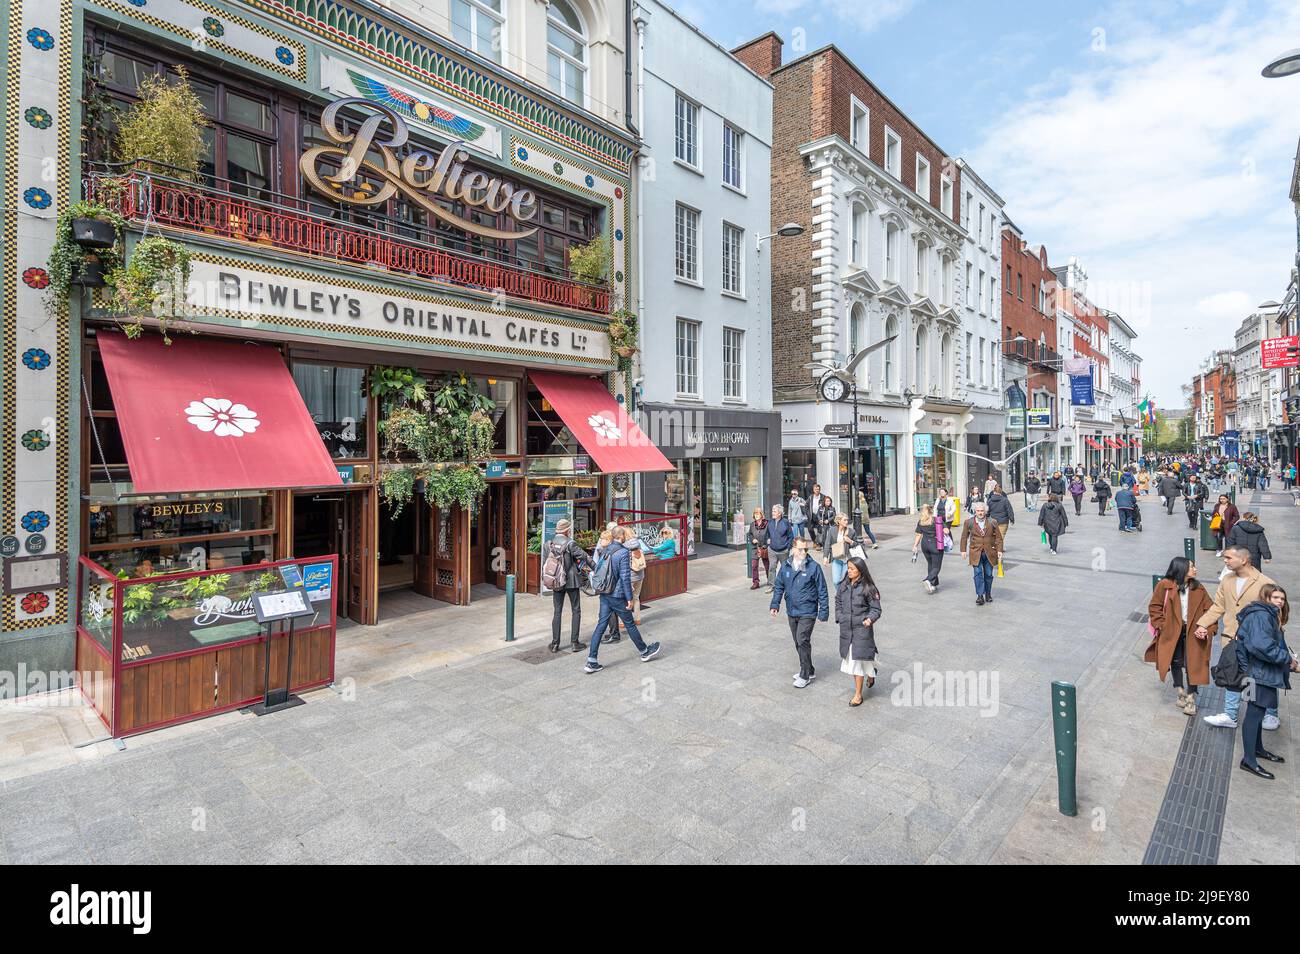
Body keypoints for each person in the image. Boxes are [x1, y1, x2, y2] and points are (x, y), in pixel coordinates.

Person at [1198, 546, 1275, 729]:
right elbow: (1219, 605)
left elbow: (1274, 613)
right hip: (1232, 637)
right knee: (1232, 674)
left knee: (1258, 677)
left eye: (1229, 558)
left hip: (1256, 641)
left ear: (1244, 560)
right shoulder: (1227, 580)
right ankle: (1230, 715)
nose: (1225, 561)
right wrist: (1203, 623)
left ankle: (1268, 713)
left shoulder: (1265, 583)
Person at [1233, 584, 1298, 779]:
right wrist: (1288, 660)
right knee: (1254, 714)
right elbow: (1261, 646)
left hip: (1261, 672)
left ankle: (1258, 750)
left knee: (1259, 712)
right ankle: (1249, 761)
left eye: (1282, 598)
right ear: (1266, 598)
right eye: (1275, 598)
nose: (1280, 601)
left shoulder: (1268, 614)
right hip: (1256, 673)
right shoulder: (1261, 615)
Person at [584, 527, 660, 674]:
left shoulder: (605, 550)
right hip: (617, 595)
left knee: (601, 625)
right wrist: (629, 598)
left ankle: (591, 660)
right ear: (623, 536)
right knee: (630, 624)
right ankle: (644, 651)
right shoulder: (623, 552)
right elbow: (625, 577)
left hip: (605, 593)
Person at [1146, 557, 1214, 716]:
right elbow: (1154, 606)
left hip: (1192, 631)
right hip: (1171, 631)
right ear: (1181, 569)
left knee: (1193, 664)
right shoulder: (1164, 585)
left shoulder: (1198, 587)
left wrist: (1206, 627)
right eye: (1192, 567)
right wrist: (1161, 624)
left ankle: (1191, 697)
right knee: (1175, 661)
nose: (1195, 569)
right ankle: (1180, 691)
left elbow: (1210, 609)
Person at [769, 536, 828, 689]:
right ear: (793, 549)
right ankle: (810, 669)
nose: (803, 552)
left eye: (806, 549)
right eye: (800, 549)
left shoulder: (813, 567)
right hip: (792, 610)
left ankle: (805, 675)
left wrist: (823, 611)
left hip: (808, 610)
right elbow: (779, 586)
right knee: (798, 642)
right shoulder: (786, 566)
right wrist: (775, 604)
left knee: (802, 640)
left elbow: (822, 590)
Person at [836, 557, 881, 707]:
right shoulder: (843, 585)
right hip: (846, 628)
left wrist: (869, 619)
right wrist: (839, 617)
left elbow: (876, 609)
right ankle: (871, 673)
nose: (849, 571)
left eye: (852, 569)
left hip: (862, 629)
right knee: (859, 659)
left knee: (856, 662)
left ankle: (858, 695)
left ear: (860, 571)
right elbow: (838, 601)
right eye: (848, 568)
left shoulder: (869, 588)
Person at [544, 518, 594, 653]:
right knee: (576, 609)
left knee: (557, 611)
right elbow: (585, 557)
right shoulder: (570, 543)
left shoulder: (549, 544)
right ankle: (574, 642)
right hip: (571, 580)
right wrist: (597, 568)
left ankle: (555, 643)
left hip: (557, 580)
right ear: (567, 530)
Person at [960, 501, 1003, 606]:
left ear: (985, 511)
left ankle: (988, 594)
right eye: (978, 511)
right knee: (978, 574)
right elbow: (964, 537)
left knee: (988, 574)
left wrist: (999, 550)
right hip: (975, 552)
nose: (980, 513)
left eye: (982, 511)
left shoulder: (993, 522)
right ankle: (980, 595)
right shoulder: (968, 522)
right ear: (975, 511)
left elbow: (998, 538)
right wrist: (963, 550)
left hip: (989, 552)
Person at [911, 503, 947, 593]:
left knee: (930, 564)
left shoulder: (921, 521)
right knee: (936, 567)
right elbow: (946, 530)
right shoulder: (936, 520)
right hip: (935, 545)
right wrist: (945, 530)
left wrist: (915, 545)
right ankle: (928, 580)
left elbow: (918, 534)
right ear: (932, 511)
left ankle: (934, 584)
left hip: (925, 545)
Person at [824, 513, 862, 587]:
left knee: (846, 582)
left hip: (847, 560)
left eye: (847, 520)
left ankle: (844, 597)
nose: (846, 522)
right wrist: (825, 556)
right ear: (839, 521)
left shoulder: (851, 531)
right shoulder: (832, 530)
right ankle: (840, 595)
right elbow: (827, 544)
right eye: (844, 520)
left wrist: (850, 541)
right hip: (836, 558)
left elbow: (857, 545)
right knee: (836, 581)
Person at [765, 504, 793, 593]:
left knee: (785, 568)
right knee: (772, 568)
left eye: (774, 511)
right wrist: (767, 540)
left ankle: (787, 586)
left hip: (783, 550)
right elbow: (767, 534)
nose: (772, 512)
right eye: (772, 510)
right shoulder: (770, 522)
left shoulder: (785, 522)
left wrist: (788, 547)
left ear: (780, 513)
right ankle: (771, 586)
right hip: (772, 550)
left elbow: (791, 536)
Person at [747, 507, 771, 591]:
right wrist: (752, 539)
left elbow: (770, 534)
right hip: (755, 548)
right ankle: (755, 582)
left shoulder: (767, 524)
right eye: (755, 513)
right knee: (754, 565)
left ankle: (770, 581)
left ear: (761, 514)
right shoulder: (752, 525)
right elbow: (750, 534)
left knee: (767, 566)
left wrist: (769, 540)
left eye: (758, 513)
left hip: (764, 547)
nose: (756, 515)